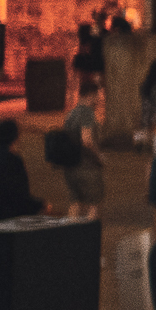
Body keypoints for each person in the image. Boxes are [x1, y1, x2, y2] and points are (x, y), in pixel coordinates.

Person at [55, 76, 107, 217]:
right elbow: (87, 140)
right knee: (93, 205)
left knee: (75, 202)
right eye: (97, 96)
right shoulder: (87, 113)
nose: (99, 100)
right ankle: (90, 230)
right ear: (90, 95)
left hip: (70, 167)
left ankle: (71, 229)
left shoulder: (71, 114)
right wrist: (99, 157)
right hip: (86, 166)